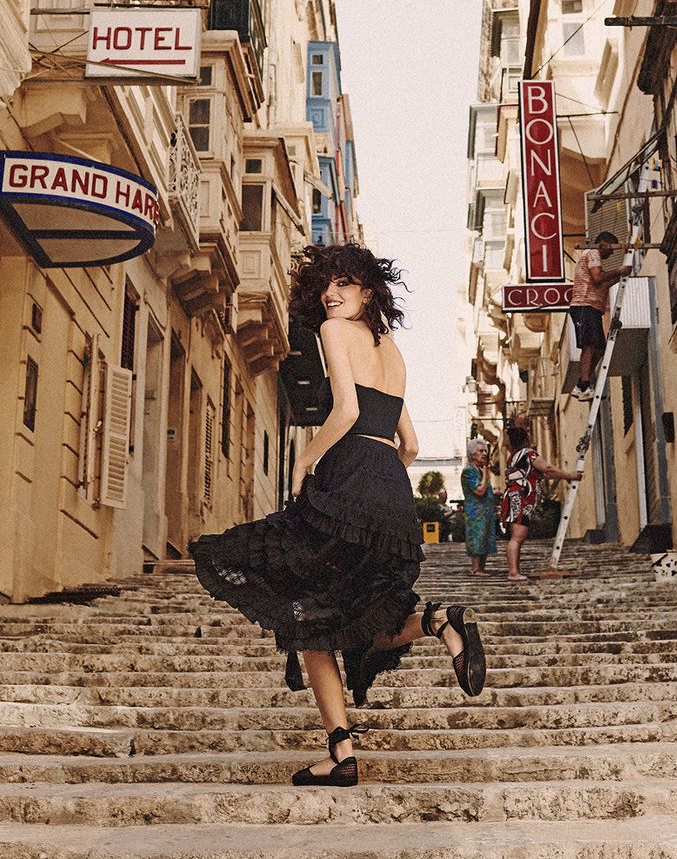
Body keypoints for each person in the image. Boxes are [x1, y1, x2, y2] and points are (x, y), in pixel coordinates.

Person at [189, 243, 486, 787]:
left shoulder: (334, 332)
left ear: (368, 291)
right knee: (352, 616)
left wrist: (307, 458)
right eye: (325, 285)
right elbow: (411, 445)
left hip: (348, 476)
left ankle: (342, 753)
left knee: (303, 611)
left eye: (343, 283)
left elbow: (346, 410)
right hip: (389, 484)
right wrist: (379, 484)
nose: (331, 294)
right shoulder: (392, 350)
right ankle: (439, 621)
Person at [501, 425, 582, 581]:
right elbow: (548, 468)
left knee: (517, 536)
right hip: (521, 498)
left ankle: (515, 570)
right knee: (517, 537)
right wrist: (569, 475)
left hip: (514, 498)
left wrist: (564, 476)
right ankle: (513, 572)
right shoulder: (529, 454)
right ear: (525, 439)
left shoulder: (514, 457)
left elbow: (541, 475)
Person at [569, 230, 631, 401]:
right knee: (589, 345)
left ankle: (582, 384)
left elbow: (603, 284)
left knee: (599, 347)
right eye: (610, 249)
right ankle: (584, 384)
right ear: (603, 244)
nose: (610, 254)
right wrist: (618, 270)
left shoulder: (595, 260)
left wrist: (625, 265)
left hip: (592, 308)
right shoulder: (593, 253)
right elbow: (598, 278)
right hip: (584, 305)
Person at [461, 438, 497, 576]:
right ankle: (476, 569)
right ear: (472, 454)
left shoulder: (479, 469)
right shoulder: (469, 470)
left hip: (486, 511)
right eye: (481, 451)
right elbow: (479, 490)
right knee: (477, 537)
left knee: (486, 537)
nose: (484, 454)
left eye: (485, 451)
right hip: (476, 511)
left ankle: (482, 568)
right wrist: (485, 475)